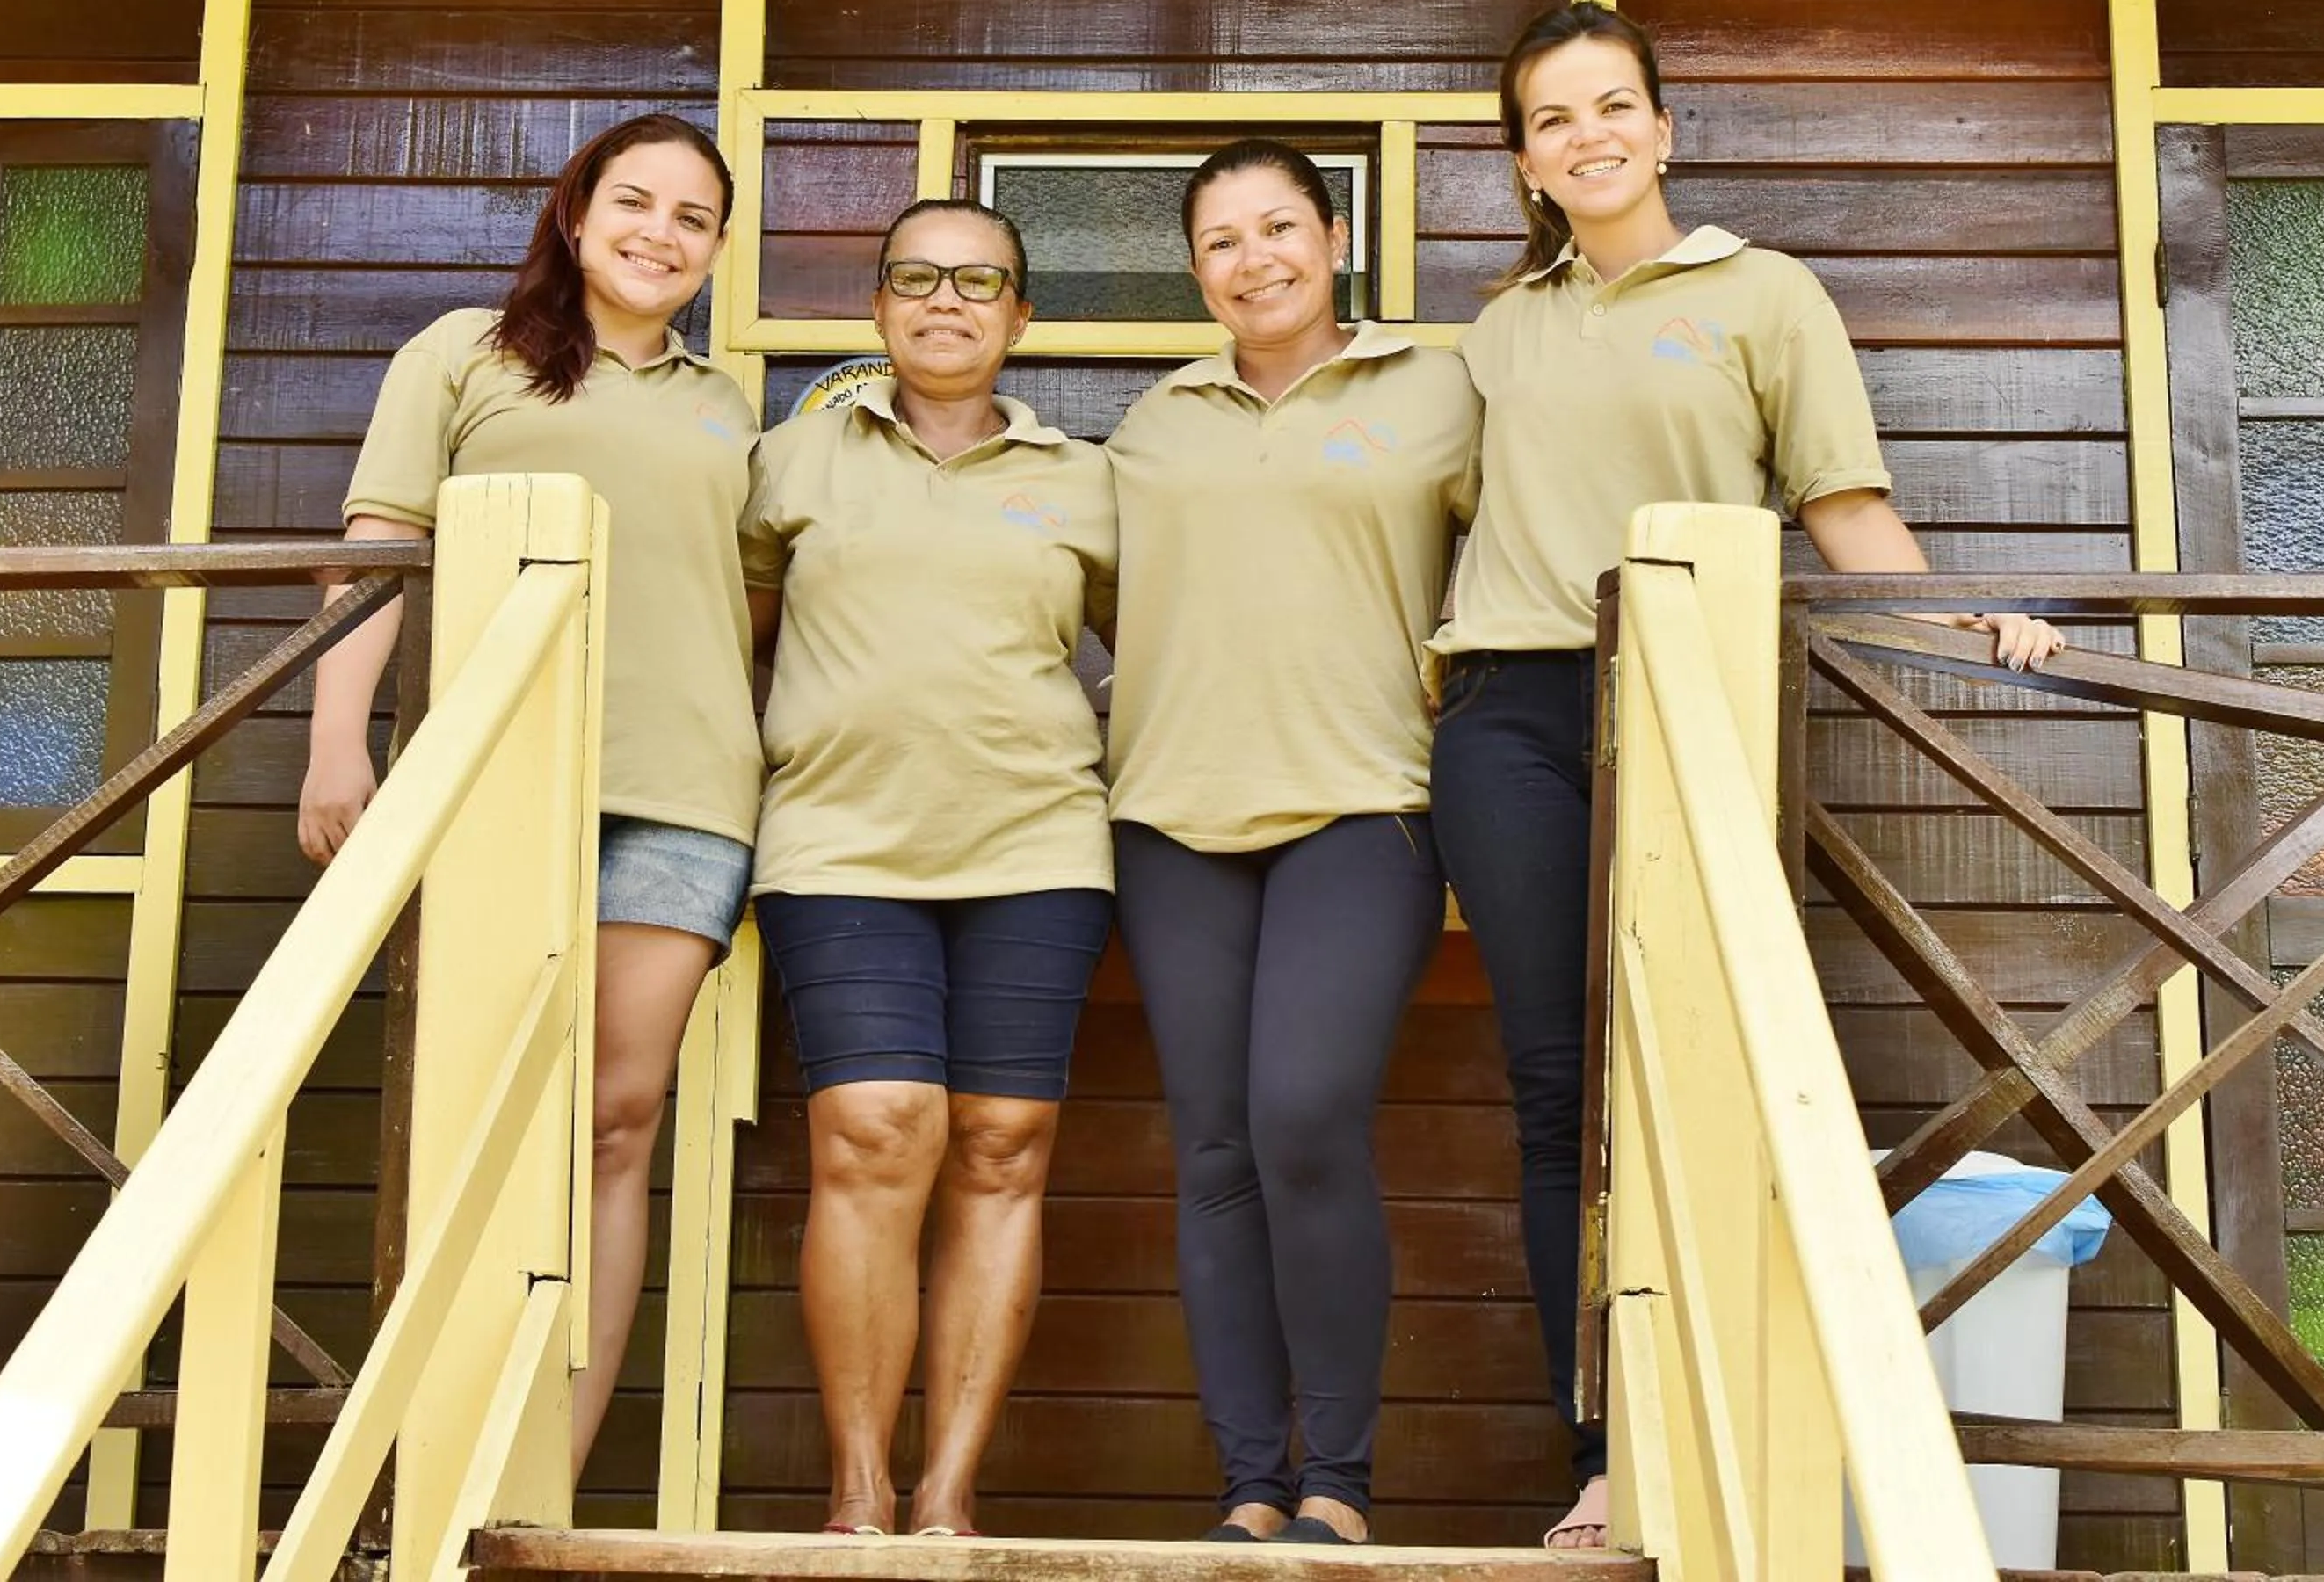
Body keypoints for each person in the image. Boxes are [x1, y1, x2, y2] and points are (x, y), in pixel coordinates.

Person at [1428, 0, 2066, 1551]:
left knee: (1701, 1073)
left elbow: (1841, 510)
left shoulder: (1767, 295)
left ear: (1664, 126)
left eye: (1612, 107)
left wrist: (1957, 620)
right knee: (1554, 1087)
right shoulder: (1499, 332)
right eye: (1552, 120)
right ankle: (1604, 1450)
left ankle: (1729, 1446)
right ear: (1522, 162)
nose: (1587, 138)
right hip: (1512, 714)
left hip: (1697, 701)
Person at [296, 113, 760, 1477]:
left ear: (717, 250)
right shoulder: (463, 352)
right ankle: (445, 1455)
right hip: (493, 780)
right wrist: (339, 742)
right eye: (635, 202)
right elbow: (380, 550)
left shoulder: (724, 404)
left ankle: (544, 1471)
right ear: (575, 212)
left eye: (693, 217)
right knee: (473, 1114)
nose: (659, 233)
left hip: (683, 793)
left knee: (619, 1123)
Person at [1104, 139, 1482, 1547]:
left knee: (1306, 1120)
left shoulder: (1439, 392)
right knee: (1213, 1150)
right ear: (1195, 270)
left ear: (1334, 238)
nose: (1254, 258)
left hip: (1362, 802)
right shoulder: (1151, 427)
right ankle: (1252, 1490)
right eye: (1221, 240)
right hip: (1168, 816)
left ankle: (1341, 1485)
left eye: (1280, 228)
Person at [741, 199, 1119, 1539]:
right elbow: (728, 631)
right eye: (917, 277)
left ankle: (950, 1496)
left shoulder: (1089, 477)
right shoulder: (793, 463)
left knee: (1005, 1146)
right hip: (839, 842)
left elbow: (1168, 646)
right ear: (880, 305)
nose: (946, 300)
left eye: (981, 281)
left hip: (1038, 848)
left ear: (1022, 317)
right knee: (874, 1128)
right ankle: (859, 1494)